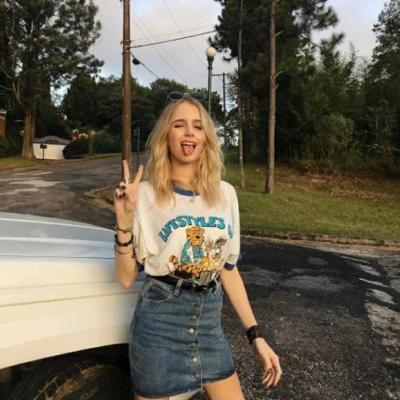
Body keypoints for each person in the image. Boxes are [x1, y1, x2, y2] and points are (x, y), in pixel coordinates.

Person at [113, 92, 282, 400]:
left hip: (208, 325)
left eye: (198, 126)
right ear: (166, 136)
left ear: (206, 139)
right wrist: (124, 221)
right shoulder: (145, 195)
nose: (189, 132)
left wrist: (255, 335)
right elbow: (126, 278)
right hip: (159, 326)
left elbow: (228, 270)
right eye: (179, 125)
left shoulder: (225, 194)